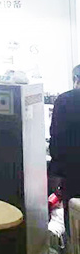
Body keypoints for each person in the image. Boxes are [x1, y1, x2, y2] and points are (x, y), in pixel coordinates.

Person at [49, 65, 80, 239]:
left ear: (76, 80)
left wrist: (55, 174)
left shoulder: (64, 100)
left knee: (74, 221)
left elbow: (57, 140)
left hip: (73, 174)